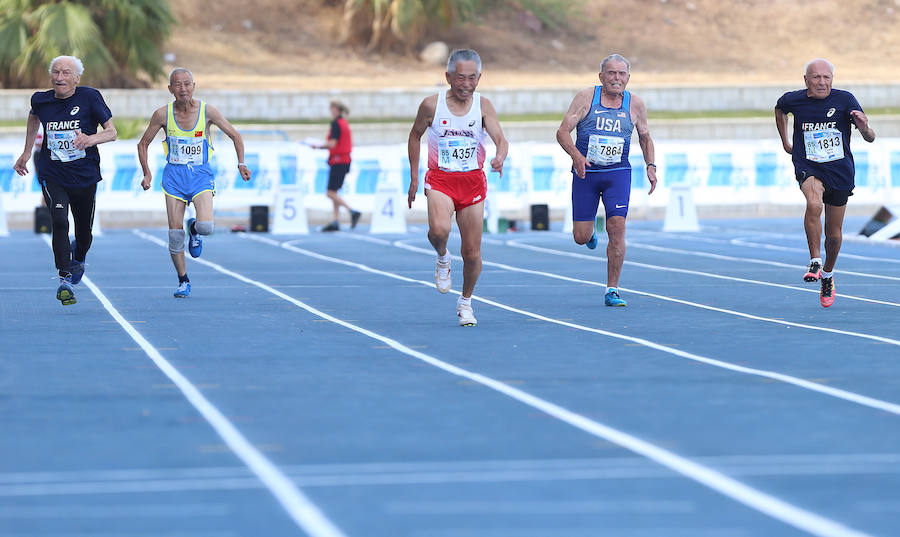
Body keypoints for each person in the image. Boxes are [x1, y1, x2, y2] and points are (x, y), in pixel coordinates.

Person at [407, 49, 508, 326]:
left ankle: (465, 302)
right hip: (440, 178)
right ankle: (442, 256)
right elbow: (415, 136)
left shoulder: (484, 106)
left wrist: (500, 157)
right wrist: (415, 177)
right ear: (448, 76)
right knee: (439, 230)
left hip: (472, 181)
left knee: (472, 253)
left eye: (472, 78)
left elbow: (501, 138)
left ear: (479, 78)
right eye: (460, 78)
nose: (466, 84)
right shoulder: (431, 105)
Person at [137, 67, 251, 298]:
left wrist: (241, 164)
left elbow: (235, 135)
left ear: (194, 86)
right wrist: (147, 173)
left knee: (207, 227)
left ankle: (195, 229)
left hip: (200, 176)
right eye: (177, 85)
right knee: (174, 235)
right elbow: (142, 144)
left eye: (187, 84)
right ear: (170, 89)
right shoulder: (162, 114)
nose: (183, 89)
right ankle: (183, 280)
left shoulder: (208, 111)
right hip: (174, 178)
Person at [13, 55, 117, 306]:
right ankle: (64, 279)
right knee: (59, 220)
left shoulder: (90, 97)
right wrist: (27, 152)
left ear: (77, 78)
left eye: (66, 73)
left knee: (84, 233)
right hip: (53, 173)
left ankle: (78, 257)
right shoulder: (41, 99)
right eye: (56, 72)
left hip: (84, 175)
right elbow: (33, 117)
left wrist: (89, 140)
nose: (60, 77)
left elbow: (112, 132)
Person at [556, 53, 657, 307]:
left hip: (617, 174)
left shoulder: (635, 104)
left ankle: (612, 289)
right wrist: (577, 157)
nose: (616, 78)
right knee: (580, 236)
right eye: (611, 73)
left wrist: (651, 166)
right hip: (586, 173)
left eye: (622, 74)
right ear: (601, 76)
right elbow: (562, 132)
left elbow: (645, 136)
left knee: (617, 228)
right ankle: (589, 235)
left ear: (628, 78)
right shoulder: (586, 98)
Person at [775, 58, 875, 308]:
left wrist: (864, 127)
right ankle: (815, 261)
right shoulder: (793, 99)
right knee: (813, 201)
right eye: (816, 77)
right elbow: (779, 109)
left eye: (826, 77)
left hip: (840, 171)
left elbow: (870, 138)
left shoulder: (845, 100)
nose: (822, 82)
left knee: (834, 235)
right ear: (806, 79)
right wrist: (786, 141)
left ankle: (828, 275)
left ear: (832, 79)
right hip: (808, 165)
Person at [315, 101, 360, 231]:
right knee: (334, 192)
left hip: (338, 160)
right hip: (344, 160)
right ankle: (335, 220)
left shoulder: (336, 124)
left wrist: (318, 146)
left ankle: (352, 211)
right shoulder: (344, 123)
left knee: (330, 193)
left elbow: (332, 143)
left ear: (336, 109)